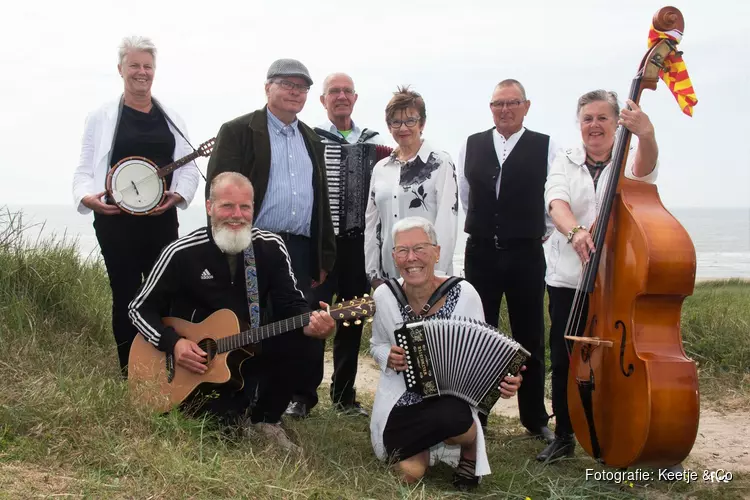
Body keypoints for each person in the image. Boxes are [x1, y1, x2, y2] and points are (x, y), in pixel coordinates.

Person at [128, 172, 336, 452]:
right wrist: (174, 343)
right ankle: (232, 408)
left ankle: (266, 418)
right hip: (196, 364)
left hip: (249, 349)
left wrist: (314, 324)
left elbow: (292, 303)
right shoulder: (181, 252)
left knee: (301, 333)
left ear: (254, 208)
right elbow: (138, 308)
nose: (237, 215)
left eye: (245, 207)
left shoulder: (270, 247)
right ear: (209, 207)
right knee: (219, 431)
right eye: (227, 206)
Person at [204, 58, 336, 419]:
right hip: (252, 244)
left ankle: (284, 403)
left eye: (302, 87)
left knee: (296, 325)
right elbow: (217, 192)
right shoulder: (238, 130)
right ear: (267, 88)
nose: (295, 92)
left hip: (300, 247)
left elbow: (320, 199)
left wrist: (323, 255)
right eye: (287, 84)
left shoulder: (311, 137)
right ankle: (239, 398)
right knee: (251, 324)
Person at [539, 90, 659, 461]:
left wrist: (647, 135)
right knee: (565, 359)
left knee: (616, 362)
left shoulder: (628, 160)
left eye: (603, 118)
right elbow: (555, 202)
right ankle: (564, 435)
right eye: (588, 118)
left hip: (618, 283)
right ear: (579, 124)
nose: (594, 125)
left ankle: (618, 428)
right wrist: (575, 233)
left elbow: (648, 170)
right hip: (568, 279)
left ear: (616, 122)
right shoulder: (564, 160)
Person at [72, 35, 200, 377]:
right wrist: (87, 197)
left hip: (161, 219)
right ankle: (130, 373)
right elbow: (85, 168)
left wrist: (179, 195)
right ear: (120, 69)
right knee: (126, 293)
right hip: (116, 222)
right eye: (134, 65)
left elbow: (188, 168)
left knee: (166, 292)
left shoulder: (170, 116)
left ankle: (169, 368)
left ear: (154, 71)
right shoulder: (101, 116)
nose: (141, 72)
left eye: (147, 66)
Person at [370, 216, 523, 490]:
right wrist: (387, 357)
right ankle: (428, 447)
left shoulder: (464, 293)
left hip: (448, 400)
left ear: (437, 252)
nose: (411, 258)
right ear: (394, 256)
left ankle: (467, 448)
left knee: (456, 420)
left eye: (420, 248)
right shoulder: (385, 296)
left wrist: (506, 379)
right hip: (402, 400)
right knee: (409, 474)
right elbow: (377, 344)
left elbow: (483, 350)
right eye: (402, 250)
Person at [456, 79, 555, 439]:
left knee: (530, 335)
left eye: (513, 103)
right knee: (478, 334)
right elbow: (467, 196)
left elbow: (552, 196)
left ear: (526, 106)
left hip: (526, 252)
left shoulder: (546, 146)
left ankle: (534, 418)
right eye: (498, 103)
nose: (505, 109)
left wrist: (531, 229)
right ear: (491, 108)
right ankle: (477, 413)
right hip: (481, 252)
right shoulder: (472, 144)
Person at [288, 73, 387, 417]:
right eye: (334, 92)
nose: (341, 96)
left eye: (346, 91)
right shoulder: (311, 140)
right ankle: (302, 395)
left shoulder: (373, 143)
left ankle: (344, 396)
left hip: (359, 249)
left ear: (355, 98)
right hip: (323, 246)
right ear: (323, 100)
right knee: (313, 316)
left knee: (352, 319)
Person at [365, 86, 458, 288]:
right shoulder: (380, 168)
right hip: (389, 274)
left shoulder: (440, 163)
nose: (403, 128)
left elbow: (447, 222)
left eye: (410, 120)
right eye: (396, 122)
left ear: (422, 123)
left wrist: (438, 275)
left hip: (428, 273)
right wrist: (372, 273)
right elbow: (372, 224)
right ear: (389, 126)